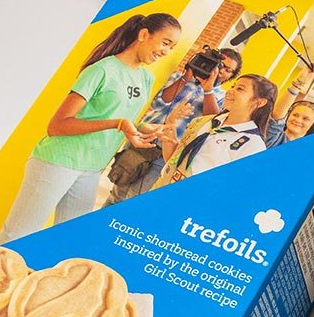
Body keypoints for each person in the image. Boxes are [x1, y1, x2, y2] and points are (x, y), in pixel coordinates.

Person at [0, 13, 180, 243]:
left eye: (172, 47)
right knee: (15, 237)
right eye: (165, 42)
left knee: (68, 241)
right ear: (143, 35)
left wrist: (148, 128)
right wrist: (118, 124)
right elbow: (57, 125)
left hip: (91, 169)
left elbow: (120, 118)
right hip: (58, 161)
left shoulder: (146, 79)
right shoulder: (102, 70)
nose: (166, 52)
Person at [103, 47, 243, 205]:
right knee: (116, 196)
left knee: (136, 201)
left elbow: (210, 122)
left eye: (227, 69)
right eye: (220, 64)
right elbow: (159, 102)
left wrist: (208, 90)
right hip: (140, 143)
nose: (221, 70)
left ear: (231, 76)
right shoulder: (180, 78)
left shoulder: (222, 97)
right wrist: (185, 78)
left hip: (166, 154)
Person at [153, 73, 278, 188]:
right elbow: (173, 160)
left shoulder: (252, 145)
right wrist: (170, 125)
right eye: (233, 86)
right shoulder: (203, 122)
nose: (230, 91)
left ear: (259, 102)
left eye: (240, 89)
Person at [264, 63, 314, 148]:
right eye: (295, 115)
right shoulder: (274, 136)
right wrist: (299, 82)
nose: (298, 120)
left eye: (305, 119)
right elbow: (276, 117)